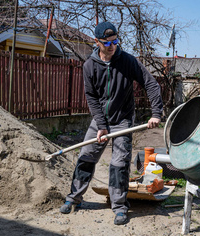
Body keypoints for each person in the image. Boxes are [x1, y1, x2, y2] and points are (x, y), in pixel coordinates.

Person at [60, 21, 163, 225]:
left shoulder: (127, 61)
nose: (112, 46)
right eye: (107, 43)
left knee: (119, 164)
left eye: (115, 41)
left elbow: (150, 84)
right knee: (86, 157)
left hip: (123, 121)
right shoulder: (90, 66)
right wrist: (100, 125)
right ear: (97, 42)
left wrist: (156, 113)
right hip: (100, 121)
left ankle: (119, 207)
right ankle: (74, 198)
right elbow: (91, 97)